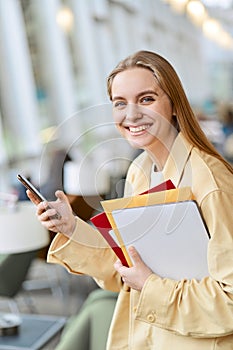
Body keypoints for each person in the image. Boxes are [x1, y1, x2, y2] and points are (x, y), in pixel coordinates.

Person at [27, 50, 233, 349]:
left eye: (147, 99)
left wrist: (150, 286)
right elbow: (128, 268)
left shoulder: (212, 183)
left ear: (174, 104)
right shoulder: (140, 171)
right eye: (120, 103)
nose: (132, 115)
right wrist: (71, 227)